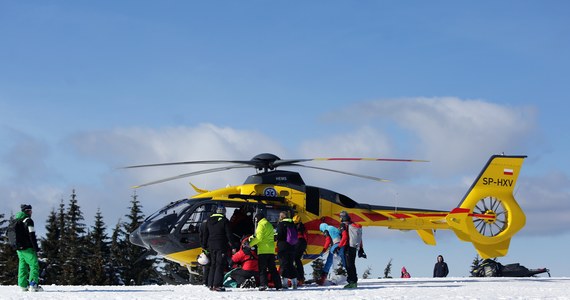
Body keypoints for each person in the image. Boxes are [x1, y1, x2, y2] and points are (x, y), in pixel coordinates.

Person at [203, 205, 236, 291]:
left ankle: (210, 284)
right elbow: (229, 235)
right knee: (219, 265)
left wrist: (204, 246)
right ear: (224, 212)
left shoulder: (209, 220)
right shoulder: (225, 221)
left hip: (211, 246)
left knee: (212, 265)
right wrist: (233, 246)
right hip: (221, 246)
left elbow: (205, 234)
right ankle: (217, 285)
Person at [248, 212, 283, 291]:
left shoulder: (261, 224)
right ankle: (278, 285)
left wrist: (250, 244)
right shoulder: (269, 224)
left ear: (257, 218)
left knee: (262, 269)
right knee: (272, 269)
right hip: (271, 250)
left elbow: (259, 238)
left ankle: (263, 285)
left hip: (263, 250)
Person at [15, 204, 43, 292]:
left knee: (22, 266)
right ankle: (33, 285)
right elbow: (32, 235)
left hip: (19, 248)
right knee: (34, 265)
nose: (32, 212)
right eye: (30, 210)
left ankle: (23, 285)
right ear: (27, 211)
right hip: (27, 248)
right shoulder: (28, 220)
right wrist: (36, 248)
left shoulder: (17, 220)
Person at [338, 211, 366, 289]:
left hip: (348, 247)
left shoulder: (344, 225)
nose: (339, 218)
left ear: (342, 217)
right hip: (354, 247)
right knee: (352, 264)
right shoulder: (354, 225)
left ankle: (352, 282)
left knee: (349, 265)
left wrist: (339, 246)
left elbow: (345, 237)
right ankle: (353, 282)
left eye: (340, 217)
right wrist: (361, 248)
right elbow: (359, 238)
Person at [276, 211, 298, 289]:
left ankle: (284, 283)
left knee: (283, 264)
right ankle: (294, 282)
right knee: (291, 264)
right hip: (292, 246)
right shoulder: (293, 224)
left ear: (281, 217)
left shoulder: (281, 224)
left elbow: (279, 235)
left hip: (283, 246)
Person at [292, 214, 307, 286]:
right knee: (298, 260)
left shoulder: (293, 226)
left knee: (293, 260)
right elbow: (306, 236)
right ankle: (301, 278)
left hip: (297, 242)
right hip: (303, 243)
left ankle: (297, 277)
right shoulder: (303, 227)